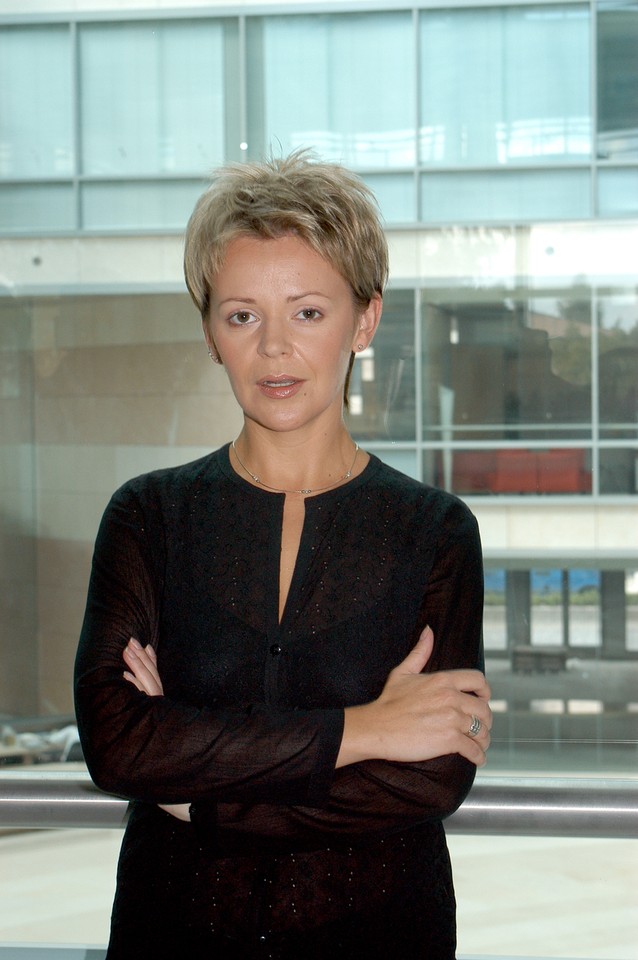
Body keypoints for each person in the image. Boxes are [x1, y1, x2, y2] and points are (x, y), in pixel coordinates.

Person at [74, 151, 491, 960]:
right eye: (242, 316)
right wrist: (363, 730)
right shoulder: (147, 516)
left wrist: (194, 793)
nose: (272, 348)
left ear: (364, 321)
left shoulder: (435, 530)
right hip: (173, 934)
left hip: (380, 937)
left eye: (306, 312)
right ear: (210, 332)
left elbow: (431, 774)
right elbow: (118, 743)